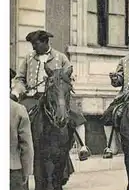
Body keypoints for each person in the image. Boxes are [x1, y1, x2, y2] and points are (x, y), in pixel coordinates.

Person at [10, 30, 90, 161]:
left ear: (45, 42)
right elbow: (19, 79)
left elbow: (69, 77)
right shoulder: (28, 58)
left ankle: (83, 147)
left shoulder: (61, 57)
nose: (34, 47)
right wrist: (16, 92)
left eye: (36, 44)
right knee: (17, 114)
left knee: (75, 115)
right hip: (33, 96)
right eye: (32, 44)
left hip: (55, 96)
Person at [10, 68, 34, 190]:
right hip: (12, 169)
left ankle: (82, 145)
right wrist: (27, 172)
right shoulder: (18, 110)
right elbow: (26, 146)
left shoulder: (59, 58)